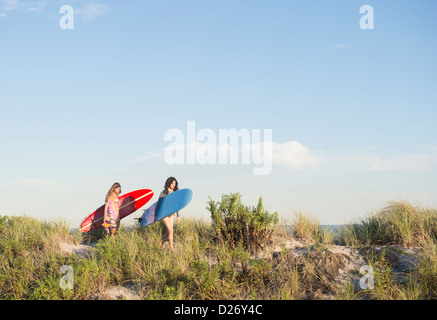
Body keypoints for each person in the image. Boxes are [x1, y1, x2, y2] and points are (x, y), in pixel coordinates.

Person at [158, 177, 180, 250]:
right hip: (164, 214)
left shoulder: (175, 193)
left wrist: (178, 216)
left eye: (175, 184)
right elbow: (158, 205)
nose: (174, 185)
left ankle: (159, 243)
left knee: (168, 233)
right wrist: (156, 217)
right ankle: (172, 249)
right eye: (172, 183)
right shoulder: (163, 193)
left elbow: (177, 205)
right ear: (169, 183)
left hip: (172, 214)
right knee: (171, 231)